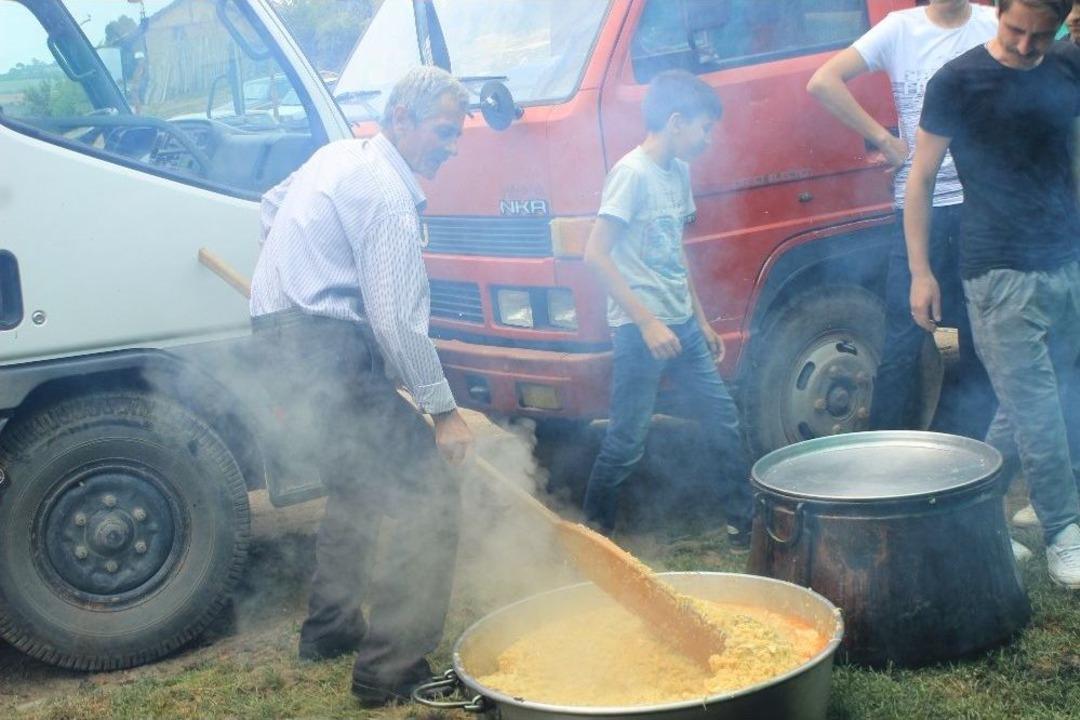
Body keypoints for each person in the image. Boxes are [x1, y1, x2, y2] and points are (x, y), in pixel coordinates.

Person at [248, 67, 474, 705]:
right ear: (401, 116)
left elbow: (271, 207)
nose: (450, 146)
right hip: (326, 347)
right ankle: (390, 671)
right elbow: (398, 321)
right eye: (442, 131)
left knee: (354, 484)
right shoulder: (388, 196)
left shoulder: (338, 155)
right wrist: (443, 413)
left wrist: (291, 276)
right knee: (428, 491)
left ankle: (329, 630)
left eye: (455, 135)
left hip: (280, 339)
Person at [906, 0, 1080, 586]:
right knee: (1039, 407)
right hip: (995, 269)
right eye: (1014, 31)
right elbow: (921, 180)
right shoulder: (956, 81)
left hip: (1065, 259)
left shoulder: (1066, 65)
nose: (1025, 46)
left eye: (1039, 35)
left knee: (1027, 401)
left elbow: (1073, 157)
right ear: (997, 12)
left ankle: (966, 517)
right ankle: (1064, 530)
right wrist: (921, 272)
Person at [807, 0, 998, 439]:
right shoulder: (899, 30)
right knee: (904, 341)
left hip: (980, 207)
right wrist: (882, 138)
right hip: (920, 207)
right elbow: (823, 81)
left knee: (975, 341)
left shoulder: (993, 23)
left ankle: (958, 455)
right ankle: (887, 461)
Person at [581, 70, 753, 548]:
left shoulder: (678, 172)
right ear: (676, 121)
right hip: (641, 332)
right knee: (626, 441)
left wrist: (699, 319)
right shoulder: (631, 174)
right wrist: (647, 321)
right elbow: (594, 254)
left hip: (682, 325)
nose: (708, 138)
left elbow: (674, 253)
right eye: (704, 128)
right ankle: (594, 541)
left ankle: (744, 528)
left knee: (722, 418)